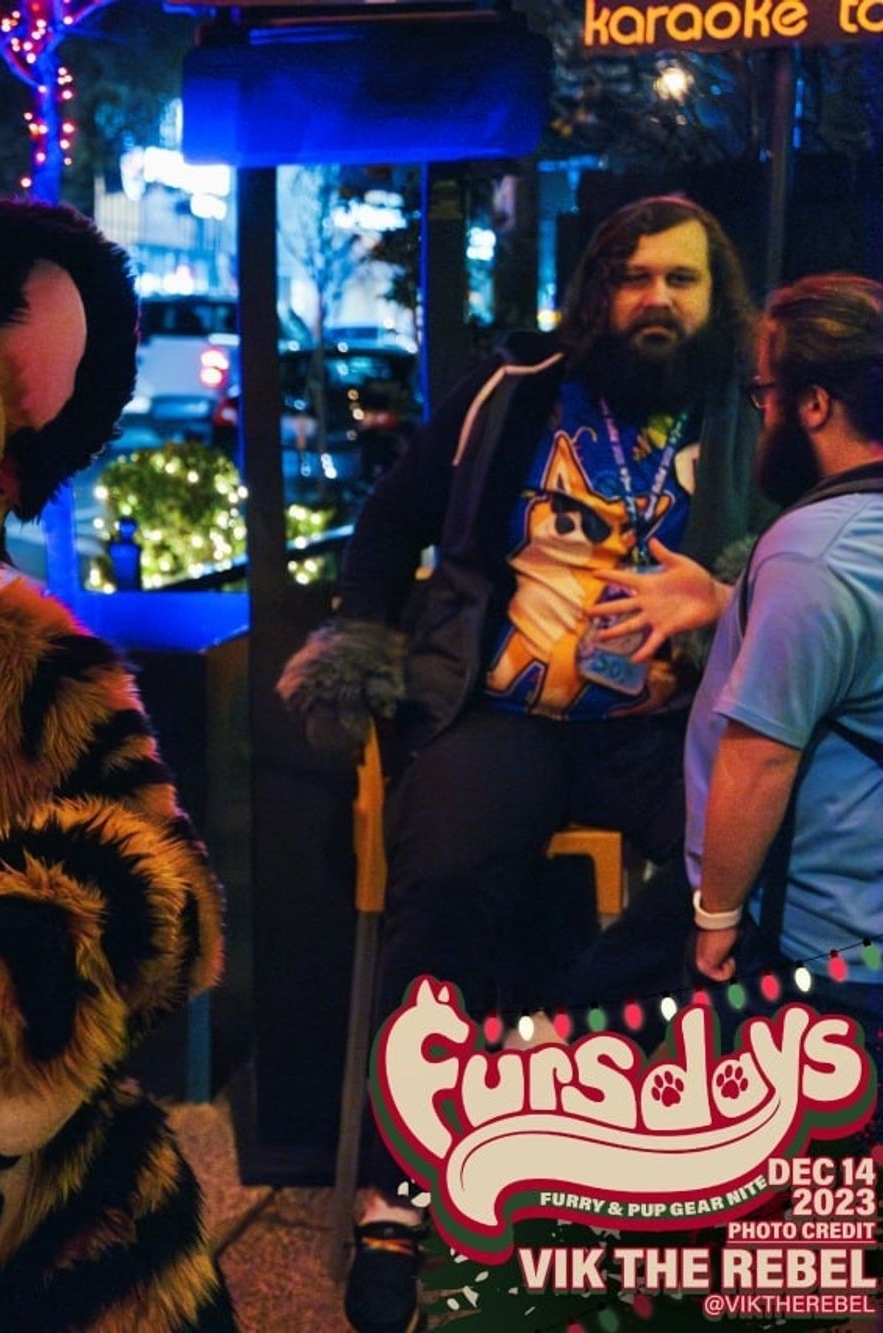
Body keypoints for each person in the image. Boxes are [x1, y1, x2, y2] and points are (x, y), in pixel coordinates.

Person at [276, 195, 763, 1333]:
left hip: (662, 722)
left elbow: (801, 574)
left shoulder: (749, 414)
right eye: (634, 276)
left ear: (711, 298)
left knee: (751, 874)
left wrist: (716, 620)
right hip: (499, 710)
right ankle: (397, 1197)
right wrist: (361, 643)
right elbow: (386, 526)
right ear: (596, 292)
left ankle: (584, 1066)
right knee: (440, 884)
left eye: (680, 279)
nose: (656, 298)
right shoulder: (516, 395)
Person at [684, 273, 883, 1138]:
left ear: (812, 404)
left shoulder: (816, 554)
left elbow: (760, 756)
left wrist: (715, 923)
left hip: (818, 942)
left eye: (765, 392)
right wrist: (726, 603)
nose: (760, 411)